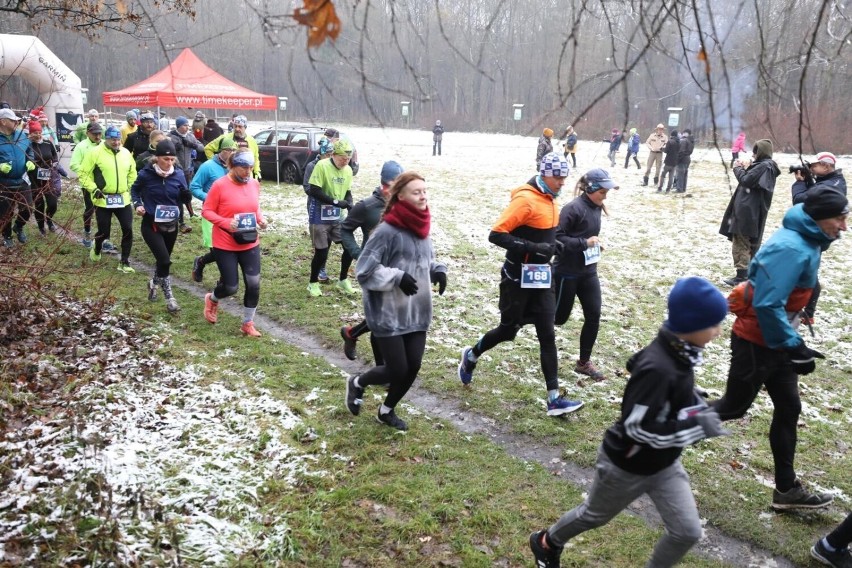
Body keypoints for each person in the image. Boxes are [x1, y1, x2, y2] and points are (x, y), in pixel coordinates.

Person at [530, 277, 730, 568]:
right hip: (625, 465)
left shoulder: (681, 352)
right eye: (714, 324)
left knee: (687, 531)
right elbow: (638, 428)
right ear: (692, 325)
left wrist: (691, 401)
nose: (718, 331)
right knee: (593, 515)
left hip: (663, 464)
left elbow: (667, 398)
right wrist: (695, 426)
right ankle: (546, 542)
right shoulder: (658, 367)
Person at [712, 186, 847, 512]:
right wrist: (794, 345)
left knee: (789, 408)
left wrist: (792, 342)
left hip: (775, 340)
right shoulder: (793, 247)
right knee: (733, 407)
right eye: (840, 218)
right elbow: (768, 303)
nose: (844, 225)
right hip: (757, 341)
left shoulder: (808, 241)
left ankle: (786, 489)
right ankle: (656, 438)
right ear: (819, 217)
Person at [458, 152, 583, 416]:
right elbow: (496, 235)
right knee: (508, 330)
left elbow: (544, 233)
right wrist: (535, 247)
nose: (562, 182)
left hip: (542, 277)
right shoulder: (525, 200)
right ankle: (471, 356)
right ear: (544, 173)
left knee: (547, 334)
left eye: (564, 177)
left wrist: (553, 245)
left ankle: (554, 399)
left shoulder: (550, 199)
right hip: (517, 279)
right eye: (558, 177)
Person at [345, 171, 448, 431]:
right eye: (416, 192)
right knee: (396, 369)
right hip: (387, 313)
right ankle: (357, 383)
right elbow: (364, 270)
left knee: (413, 366)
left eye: (424, 190)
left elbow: (427, 258)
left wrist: (438, 269)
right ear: (400, 197)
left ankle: (386, 411)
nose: (423, 195)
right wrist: (396, 276)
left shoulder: (422, 227)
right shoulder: (386, 231)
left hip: (417, 311)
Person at [553, 169, 618, 381]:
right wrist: (584, 243)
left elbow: (588, 236)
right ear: (590, 189)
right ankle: (522, 318)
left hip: (588, 273)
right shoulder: (572, 209)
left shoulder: (596, 207)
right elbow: (557, 240)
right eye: (602, 191)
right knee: (558, 318)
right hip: (566, 273)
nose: (605, 195)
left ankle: (583, 363)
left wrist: (595, 245)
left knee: (594, 315)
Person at [339, 160, 404, 361]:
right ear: (383, 184)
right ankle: (381, 368)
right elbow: (345, 229)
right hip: (374, 270)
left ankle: (351, 333)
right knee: (382, 320)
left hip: (398, 268)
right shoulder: (366, 207)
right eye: (389, 186)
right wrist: (358, 254)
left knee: (386, 316)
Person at [201, 149, 267, 337]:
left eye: (251, 168)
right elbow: (207, 211)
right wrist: (226, 223)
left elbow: (255, 208)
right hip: (225, 243)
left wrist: (260, 219)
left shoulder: (254, 184)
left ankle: (247, 323)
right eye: (244, 168)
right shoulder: (219, 186)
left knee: (254, 284)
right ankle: (212, 299)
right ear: (232, 166)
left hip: (250, 242)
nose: (248, 172)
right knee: (230, 287)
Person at [131, 139, 191, 313]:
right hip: (151, 224)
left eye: (172, 159)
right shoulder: (146, 174)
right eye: (166, 159)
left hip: (171, 225)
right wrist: (138, 205)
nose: (169, 163)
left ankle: (153, 283)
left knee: (162, 263)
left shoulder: (178, 174)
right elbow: (134, 190)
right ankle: (170, 298)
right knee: (165, 260)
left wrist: (186, 196)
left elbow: (181, 198)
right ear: (157, 158)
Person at [790, 151, 846, 324]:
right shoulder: (828, 181)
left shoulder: (832, 184)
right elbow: (814, 192)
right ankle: (807, 312)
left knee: (807, 271)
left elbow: (802, 201)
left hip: (817, 233)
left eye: (815, 165)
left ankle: (808, 312)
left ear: (827, 166)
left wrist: (799, 183)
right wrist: (808, 180)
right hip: (815, 232)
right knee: (806, 270)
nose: (812, 168)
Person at [719, 139, 780, 286]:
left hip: (747, 211)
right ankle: (748, 274)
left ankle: (742, 276)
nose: (753, 154)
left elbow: (746, 180)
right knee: (747, 242)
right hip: (750, 210)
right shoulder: (765, 166)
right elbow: (752, 181)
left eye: (756, 151)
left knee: (742, 242)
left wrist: (737, 168)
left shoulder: (764, 167)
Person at [79, 125, 137, 272]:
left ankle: (124, 262)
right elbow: (84, 174)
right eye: (112, 140)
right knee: (104, 232)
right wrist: (94, 189)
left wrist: (128, 186)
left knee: (128, 229)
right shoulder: (95, 153)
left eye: (118, 139)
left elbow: (132, 172)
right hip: (103, 198)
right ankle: (97, 248)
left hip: (122, 198)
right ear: (106, 139)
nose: (116, 142)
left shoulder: (125, 153)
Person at [305, 139, 356, 297]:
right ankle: (313, 283)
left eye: (348, 159)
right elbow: (313, 189)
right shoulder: (322, 165)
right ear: (333, 155)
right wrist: (335, 202)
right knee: (322, 252)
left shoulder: (348, 170)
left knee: (349, 247)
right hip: (319, 215)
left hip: (337, 217)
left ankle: (342, 279)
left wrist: (350, 204)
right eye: (342, 159)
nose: (345, 162)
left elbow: (347, 191)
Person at [190, 137, 237, 284]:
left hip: (230, 214)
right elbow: (194, 187)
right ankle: (204, 264)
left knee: (231, 247)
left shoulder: (235, 168)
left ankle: (221, 277)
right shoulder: (207, 166)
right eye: (229, 150)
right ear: (221, 151)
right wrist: (210, 198)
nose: (232, 153)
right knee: (217, 249)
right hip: (212, 213)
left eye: (234, 150)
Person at [0, 108, 35, 248]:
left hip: (22, 180)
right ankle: (7, 236)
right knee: (5, 212)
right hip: (3, 183)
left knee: (27, 208)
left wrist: (30, 160)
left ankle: (18, 227)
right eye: (13, 120)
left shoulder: (21, 135)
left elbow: (29, 150)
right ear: (3, 121)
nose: (17, 122)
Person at [303, 138, 335, 283]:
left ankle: (322, 266)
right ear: (322, 154)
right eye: (327, 155)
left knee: (328, 238)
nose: (330, 158)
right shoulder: (312, 166)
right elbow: (307, 188)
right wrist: (323, 194)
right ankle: (318, 269)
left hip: (331, 207)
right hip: (316, 207)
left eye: (332, 154)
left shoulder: (334, 167)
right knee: (319, 240)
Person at [27, 121, 67, 236]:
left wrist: (54, 162)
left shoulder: (48, 143)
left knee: (52, 203)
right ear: (30, 134)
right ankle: (41, 227)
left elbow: (54, 154)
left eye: (39, 132)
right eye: (34, 132)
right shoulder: (28, 145)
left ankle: (49, 220)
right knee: (39, 204)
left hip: (48, 177)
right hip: (34, 179)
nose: (38, 135)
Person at [69, 121, 103, 248]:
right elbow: (73, 164)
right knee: (90, 209)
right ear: (87, 133)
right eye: (94, 134)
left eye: (99, 133)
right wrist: (87, 170)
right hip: (88, 183)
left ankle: (103, 237)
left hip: (103, 183)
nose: (97, 136)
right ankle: (87, 232)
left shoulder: (105, 144)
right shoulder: (81, 146)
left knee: (104, 211)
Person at [168, 116, 205, 232]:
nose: (187, 127)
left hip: (187, 170)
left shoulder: (190, 136)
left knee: (187, 193)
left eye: (188, 125)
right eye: (184, 125)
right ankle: (179, 220)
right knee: (176, 196)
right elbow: (163, 148)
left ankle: (191, 213)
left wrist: (192, 144)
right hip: (174, 171)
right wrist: (174, 147)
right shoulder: (171, 137)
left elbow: (201, 148)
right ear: (178, 126)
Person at [204, 115, 260, 179]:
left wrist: (257, 172)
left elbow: (255, 158)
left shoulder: (252, 141)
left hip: (246, 177)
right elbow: (208, 148)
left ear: (245, 127)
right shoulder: (225, 138)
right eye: (235, 126)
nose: (237, 129)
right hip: (229, 176)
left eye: (240, 127)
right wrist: (215, 164)